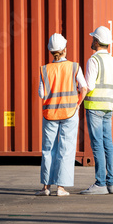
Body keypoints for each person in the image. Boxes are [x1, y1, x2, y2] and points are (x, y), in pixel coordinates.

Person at [36, 33, 87, 197]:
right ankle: (61, 188)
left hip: (50, 114)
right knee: (66, 149)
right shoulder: (74, 66)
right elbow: (84, 87)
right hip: (70, 113)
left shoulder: (45, 69)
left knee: (48, 149)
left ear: (51, 51)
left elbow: (42, 94)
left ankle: (45, 187)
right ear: (65, 49)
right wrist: (78, 103)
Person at [80, 26, 113, 195]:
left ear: (96, 41)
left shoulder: (94, 60)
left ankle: (100, 184)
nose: (91, 41)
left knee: (97, 145)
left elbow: (88, 86)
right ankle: (111, 183)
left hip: (94, 108)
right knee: (108, 145)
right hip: (108, 108)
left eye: (93, 39)